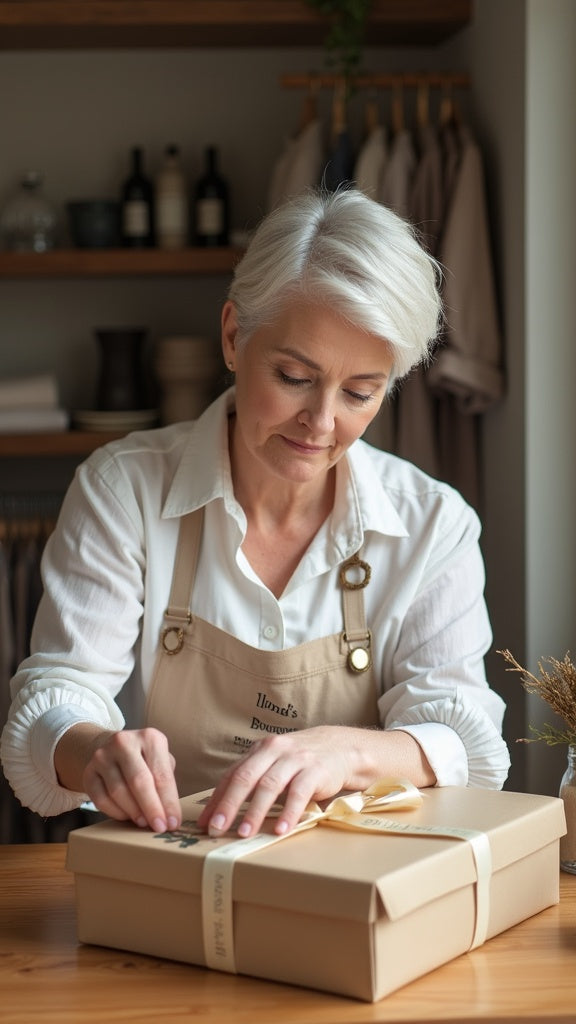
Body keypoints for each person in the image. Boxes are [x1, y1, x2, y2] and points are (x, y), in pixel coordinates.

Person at [0, 188, 510, 841]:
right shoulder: (121, 489)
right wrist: (94, 748)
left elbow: (467, 739)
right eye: (295, 377)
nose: (322, 423)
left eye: (360, 392)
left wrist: (345, 752)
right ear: (234, 336)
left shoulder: (433, 526)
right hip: (167, 874)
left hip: (353, 887)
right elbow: (54, 698)